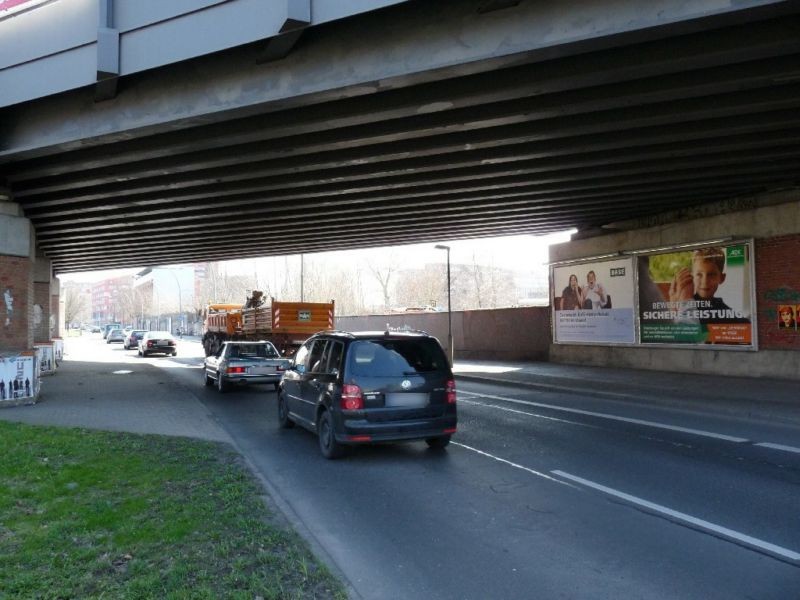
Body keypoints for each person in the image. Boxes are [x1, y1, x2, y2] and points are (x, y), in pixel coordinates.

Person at [668, 246, 749, 324]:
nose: (705, 281)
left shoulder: (727, 313)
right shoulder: (683, 304)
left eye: (711, 275)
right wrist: (673, 307)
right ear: (692, 276)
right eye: (699, 274)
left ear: (721, 278)